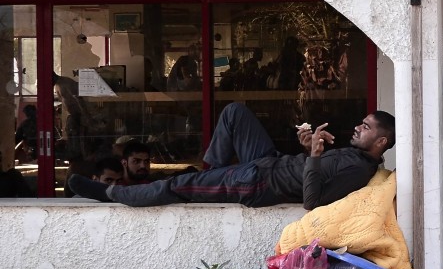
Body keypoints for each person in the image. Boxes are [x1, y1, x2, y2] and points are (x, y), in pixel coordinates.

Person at [68, 102, 394, 209]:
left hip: (258, 183)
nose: (356, 128)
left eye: (365, 127)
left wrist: (313, 158)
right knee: (235, 112)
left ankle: (112, 193)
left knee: (177, 185)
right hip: (269, 162)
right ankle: (212, 174)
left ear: (380, 142)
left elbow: (312, 201)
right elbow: (311, 168)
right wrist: (308, 148)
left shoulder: (356, 171)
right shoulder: (354, 157)